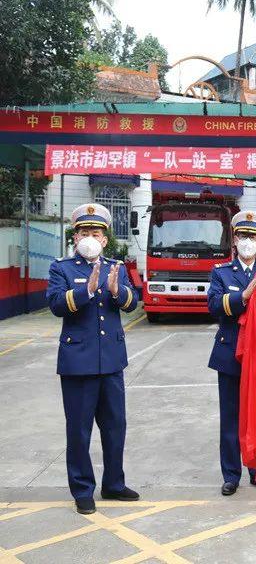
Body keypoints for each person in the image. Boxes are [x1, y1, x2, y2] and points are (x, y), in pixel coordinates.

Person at [46, 203, 140, 515]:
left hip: (111, 360)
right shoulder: (62, 268)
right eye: (84, 231)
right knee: (79, 429)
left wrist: (116, 290)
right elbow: (56, 305)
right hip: (78, 363)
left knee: (116, 427)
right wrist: (85, 291)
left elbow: (131, 302)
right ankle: (82, 489)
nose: (89, 236)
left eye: (95, 232)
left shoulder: (116, 266)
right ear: (75, 236)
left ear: (104, 238)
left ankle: (113, 484)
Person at [208, 210, 256, 496]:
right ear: (235, 239)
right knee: (230, 417)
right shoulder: (221, 272)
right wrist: (242, 297)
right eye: (244, 236)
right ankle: (231, 474)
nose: (248, 241)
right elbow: (214, 305)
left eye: (254, 237)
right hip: (230, 354)